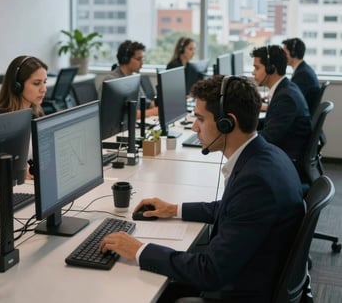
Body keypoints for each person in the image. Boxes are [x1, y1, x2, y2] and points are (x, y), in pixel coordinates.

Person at [100, 75, 304, 303]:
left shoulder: (256, 182)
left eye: (200, 118)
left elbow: (210, 272)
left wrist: (139, 250)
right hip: (253, 271)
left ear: (228, 122)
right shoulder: (264, 155)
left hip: (241, 292)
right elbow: (233, 209)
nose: (195, 127)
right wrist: (175, 209)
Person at [250, 45, 312, 177]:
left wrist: (239, 139)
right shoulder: (285, 88)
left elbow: (269, 137)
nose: (252, 72)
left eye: (256, 67)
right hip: (284, 153)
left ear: (271, 68)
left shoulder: (286, 97)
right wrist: (244, 125)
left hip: (286, 163)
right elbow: (271, 122)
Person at [0, 55, 48, 178]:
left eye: (44, 82)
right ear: (17, 86)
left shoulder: (36, 113)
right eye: (37, 83)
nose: (44, 89)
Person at [95, 40, 157, 118]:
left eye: (142, 59)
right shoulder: (111, 81)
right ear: (126, 59)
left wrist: (156, 105)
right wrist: (153, 112)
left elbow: (143, 102)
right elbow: (124, 115)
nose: (142, 63)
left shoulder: (133, 77)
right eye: (138, 59)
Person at [282, 37, 320, 113]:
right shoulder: (303, 69)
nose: (282, 56)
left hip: (299, 119)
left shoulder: (302, 75)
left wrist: (266, 106)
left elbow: (291, 102)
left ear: (293, 54)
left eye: (284, 53)